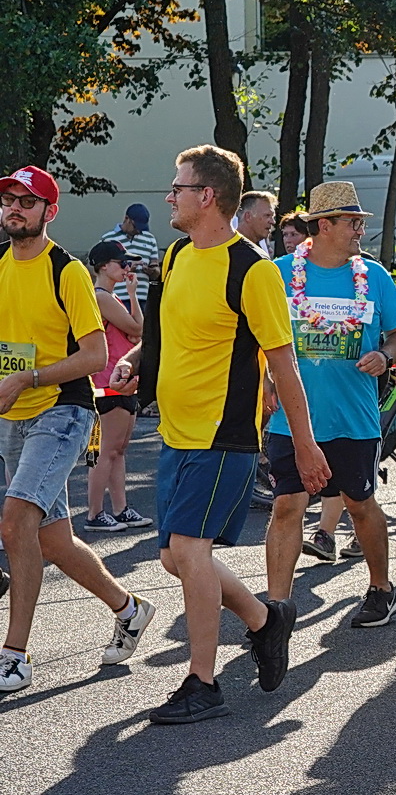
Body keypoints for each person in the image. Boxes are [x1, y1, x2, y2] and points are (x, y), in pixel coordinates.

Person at [111, 145, 330, 723]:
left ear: (207, 196)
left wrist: (304, 444)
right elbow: (165, 329)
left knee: (189, 551)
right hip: (176, 433)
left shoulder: (251, 270)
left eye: (178, 188)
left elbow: (284, 364)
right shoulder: (179, 255)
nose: (169, 197)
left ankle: (202, 682)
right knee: (171, 558)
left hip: (223, 434)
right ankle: (265, 620)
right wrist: (136, 359)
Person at [0, 167, 156, 695]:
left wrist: (30, 376)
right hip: (11, 414)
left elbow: (92, 355)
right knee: (54, 541)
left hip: (62, 411)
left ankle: (15, 655)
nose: (15, 208)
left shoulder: (65, 271)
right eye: (9, 199)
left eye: (27, 201)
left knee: (16, 521)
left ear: (50, 211)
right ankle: (129, 608)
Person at [261, 182, 396, 624]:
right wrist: (265, 381)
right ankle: (276, 608)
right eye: (352, 222)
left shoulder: (374, 276)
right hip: (293, 419)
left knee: (360, 504)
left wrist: (385, 356)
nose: (359, 230)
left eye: (361, 222)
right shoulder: (279, 273)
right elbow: (255, 336)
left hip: (354, 417)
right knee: (287, 505)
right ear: (323, 225)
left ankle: (381, 589)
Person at [84, 241, 150, 531]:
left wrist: (134, 295)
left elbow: (139, 331)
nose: (127, 268)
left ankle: (120, 509)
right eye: (121, 263)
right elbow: (137, 330)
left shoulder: (115, 298)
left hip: (121, 381)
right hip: (105, 382)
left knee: (118, 450)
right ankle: (95, 513)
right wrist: (134, 322)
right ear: (103, 266)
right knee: (103, 451)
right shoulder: (100, 296)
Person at [98, 201, 160, 304]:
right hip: (118, 297)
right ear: (127, 219)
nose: (138, 231)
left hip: (143, 297)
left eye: (141, 228)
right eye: (136, 227)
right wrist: (127, 268)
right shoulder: (108, 239)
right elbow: (100, 269)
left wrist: (151, 270)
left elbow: (156, 271)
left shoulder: (149, 239)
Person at [235, 190, 277, 255]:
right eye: (267, 215)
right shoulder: (231, 250)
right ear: (248, 216)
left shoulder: (259, 251)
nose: (272, 222)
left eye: (273, 216)